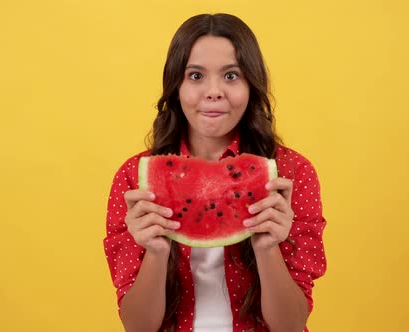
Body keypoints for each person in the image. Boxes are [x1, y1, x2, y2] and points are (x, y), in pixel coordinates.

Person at [103, 13, 327, 332]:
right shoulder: (134, 178)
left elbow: (291, 325)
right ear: (175, 86)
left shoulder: (290, 174)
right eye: (195, 76)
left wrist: (267, 247)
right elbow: (137, 327)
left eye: (231, 76)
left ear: (251, 84)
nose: (213, 91)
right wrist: (155, 251)